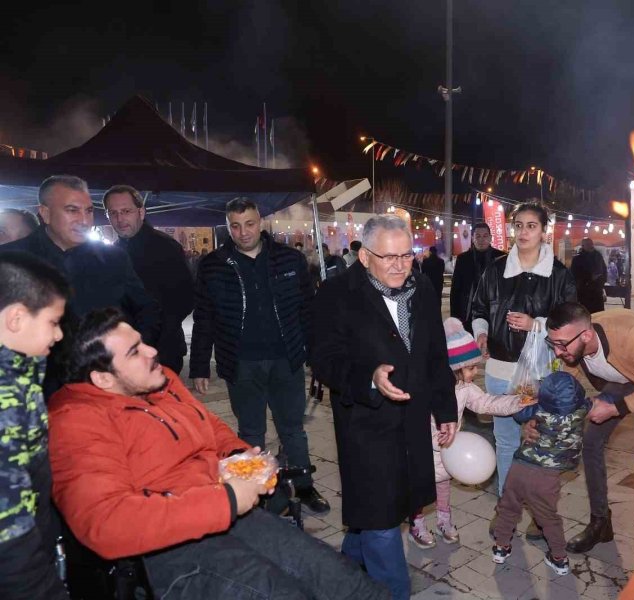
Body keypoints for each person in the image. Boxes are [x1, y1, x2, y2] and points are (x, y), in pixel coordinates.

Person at [49, 308, 388, 599]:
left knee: (348, 584)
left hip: (227, 512)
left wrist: (242, 459)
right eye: (135, 352)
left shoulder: (160, 380)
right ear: (102, 379)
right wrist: (226, 500)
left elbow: (209, 426)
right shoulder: (76, 421)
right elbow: (106, 524)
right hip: (169, 548)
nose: (152, 351)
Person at [310, 215, 458, 599]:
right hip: (365, 422)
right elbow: (325, 359)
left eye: (406, 255)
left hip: (411, 419)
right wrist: (368, 376)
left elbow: (434, 355)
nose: (398, 265)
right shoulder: (336, 293)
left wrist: (445, 409)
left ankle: (343, 569)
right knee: (380, 516)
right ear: (363, 256)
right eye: (387, 256)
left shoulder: (423, 289)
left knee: (390, 505)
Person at [190, 197, 329, 514]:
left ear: (261, 222)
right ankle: (258, 492)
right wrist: (200, 366)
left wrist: (316, 354)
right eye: (235, 226)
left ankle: (304, 486)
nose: (243, 232)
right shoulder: (213, 265)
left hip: (287, 360)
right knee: (250, 433)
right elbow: (204, 318)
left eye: (249, 223)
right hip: (241, 364)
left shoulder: (289, 260)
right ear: (228, 227)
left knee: (293, 429)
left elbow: (308, 311)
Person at [1, 175, 160, 393]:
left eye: (88, 211)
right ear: (45, 213)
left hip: (102, 388)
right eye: (72, 210)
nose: (84, 220)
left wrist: (130, 354)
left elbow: (146, 308)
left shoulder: (113, 259)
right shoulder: (11, 259)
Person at [470, 201, 576, 525]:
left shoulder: (558, 275)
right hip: (500, 371)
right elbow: (477, 309)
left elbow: (571, 323)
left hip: (539, 373)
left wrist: (536, 324)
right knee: (504, 441)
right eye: (519, 225)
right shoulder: (494, 271)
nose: (525, 231)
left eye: (532, 225)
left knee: (538, 443)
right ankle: (506, 508)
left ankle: (539, 513)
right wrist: (482, 334)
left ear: (544, 231)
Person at [540, 302, 634, 556]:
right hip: (624, 379)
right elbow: (569, 382)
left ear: (586, 335)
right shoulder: (574, 341)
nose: (558, 352)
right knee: (591, 441)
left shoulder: (632, 333)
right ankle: (601, 523)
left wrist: (616, 408)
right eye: (553, 344)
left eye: (562, 345)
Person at [408, 317, 525, 550]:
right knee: (419, 491)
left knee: (443, 486)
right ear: (453, 367)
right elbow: (417, 420)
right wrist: (434, 440)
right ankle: (416, 524)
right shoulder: (428, 389)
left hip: (450, 451)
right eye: (470, 368)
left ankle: (444, 519)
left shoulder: (465, 389)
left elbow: (486, 404)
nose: (474, 373)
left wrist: (516, 402)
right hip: (423, 452)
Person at [0, 252, 69, 600]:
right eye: (53, 322)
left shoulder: (21, 377)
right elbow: (8, 530)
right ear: (16, 318)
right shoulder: (5, 400)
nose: (58, 335)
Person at [491, 371, 591, 576]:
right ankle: (559, 558)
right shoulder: (581, 410)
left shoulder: (538, 409)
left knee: (507, 508)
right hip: (546, 477)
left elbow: (519, 414)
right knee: (548, 517)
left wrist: (533, 400)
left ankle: (501, 547)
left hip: (519, 468)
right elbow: (589, 403)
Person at [104, 184, 194, 374]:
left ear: (141, 212)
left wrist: (151, 338)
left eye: (126, 211)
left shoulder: (166, 247)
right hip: (123, 354)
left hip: (162, 352)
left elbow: (185, 299)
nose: (120, 219)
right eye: (113, 213)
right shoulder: (110, 253)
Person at [449, 222, 505, 332]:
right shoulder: (463, 259)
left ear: (490, 238)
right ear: (472, 238)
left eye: (485, 236)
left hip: (494, 313)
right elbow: (455, 290)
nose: (481, 239)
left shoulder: (501, 258)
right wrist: (455, 318)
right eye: (478, 236)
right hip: (468, 313)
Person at [570, 238, 607, 312]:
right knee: (586, 314)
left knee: (598, 315)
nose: (590, 246)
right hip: (584, 293)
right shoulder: (578, 259)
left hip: (597, 292)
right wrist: (589, 278)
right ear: (583, 246)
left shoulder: (598, 256)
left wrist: (602, 281)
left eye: (591, 244)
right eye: (588, 244)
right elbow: (575, 275)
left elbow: (604, 270)